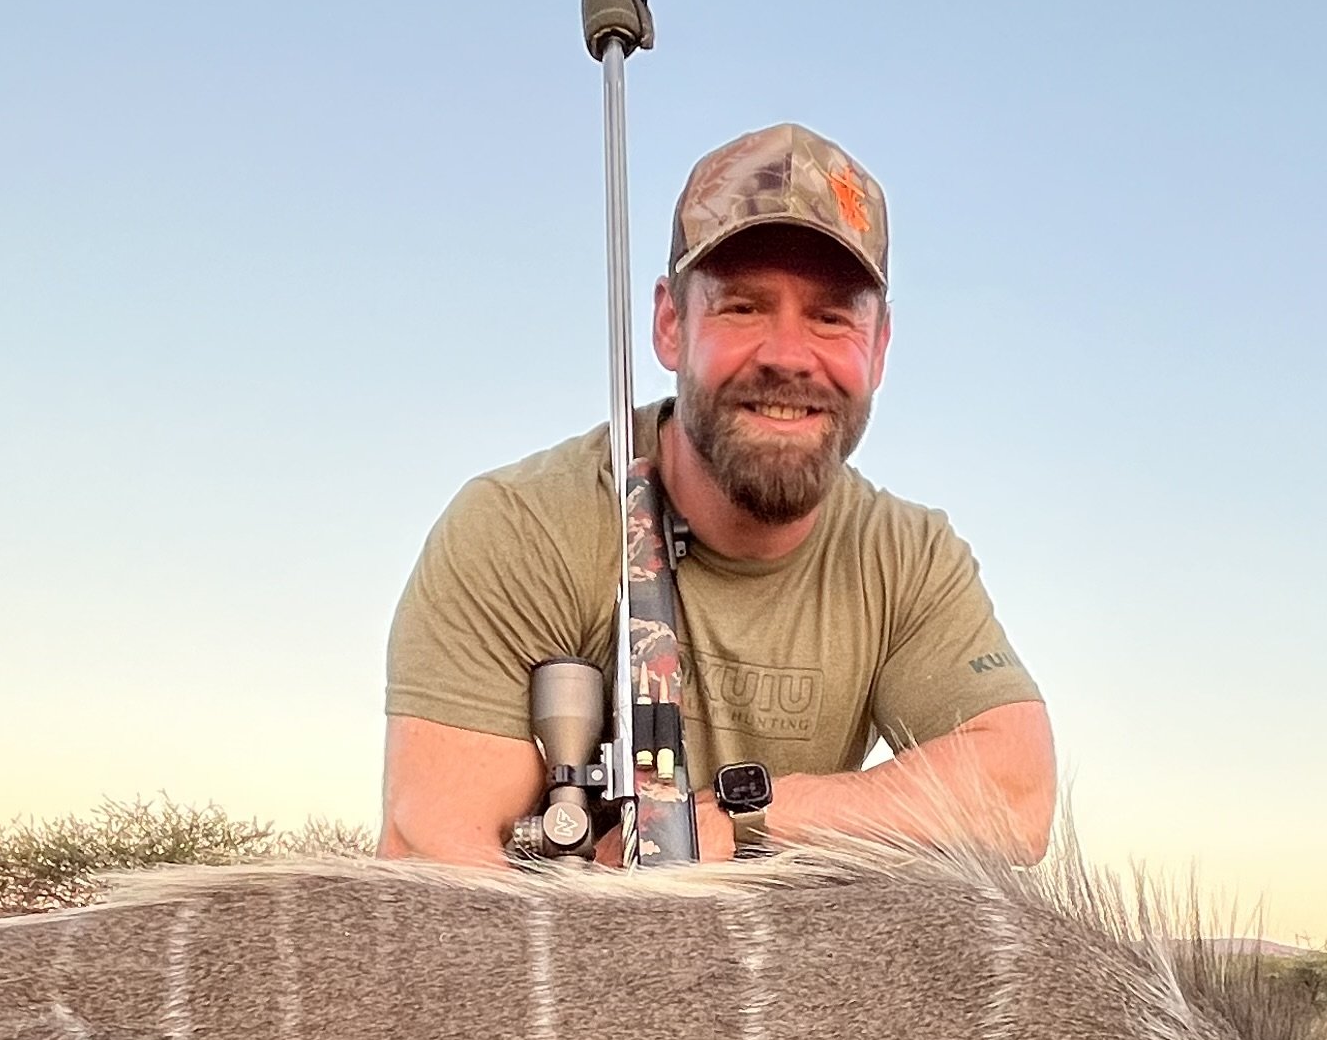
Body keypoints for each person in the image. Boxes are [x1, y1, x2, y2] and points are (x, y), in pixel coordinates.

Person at [381, 123, 1056, 865]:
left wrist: (746, 815)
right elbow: (440, 853)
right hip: (547, 959)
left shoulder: (909, 556)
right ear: (671, 324)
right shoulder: (521, 527)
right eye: (742, 307)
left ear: (879, 348)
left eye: (831, 317)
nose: (787, 356)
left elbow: (1017, 797)